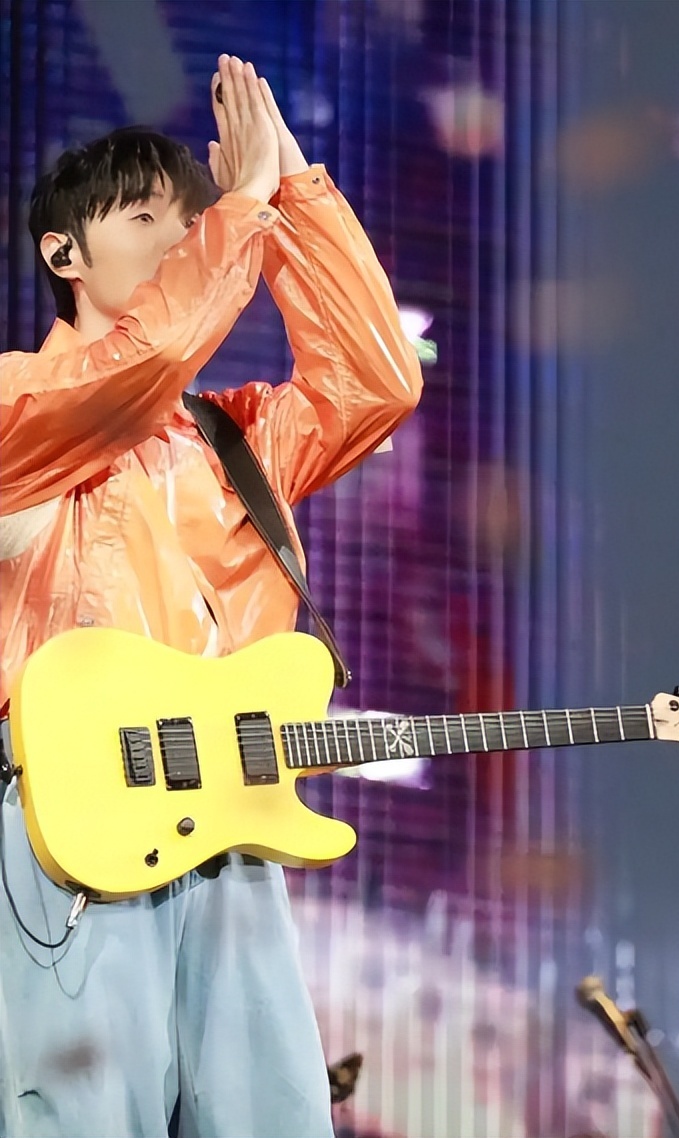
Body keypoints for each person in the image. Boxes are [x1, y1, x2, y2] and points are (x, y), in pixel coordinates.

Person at [0, 54, 422, 1138]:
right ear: (62, 252)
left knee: (272, 1115)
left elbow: (377, 381)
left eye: (190, 223)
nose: (180, 240)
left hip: (226, 815)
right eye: (146, 217)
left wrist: (294, 193)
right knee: (85, 1116)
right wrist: (241, 209)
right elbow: (141, 365)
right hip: (70, 822)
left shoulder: (235, 437)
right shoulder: (19, 401)